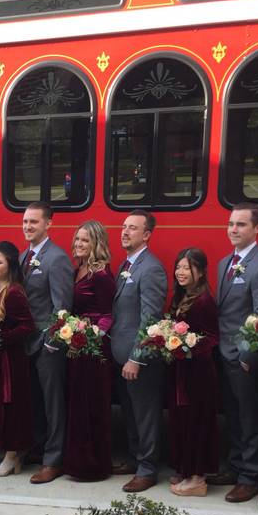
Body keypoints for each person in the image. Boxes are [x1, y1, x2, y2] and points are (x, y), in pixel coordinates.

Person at [211, 203, 258, 503]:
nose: (234, 229)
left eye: (241, 224)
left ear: (257, 229)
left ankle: (250, 476)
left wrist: (247, 356)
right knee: (233, 416)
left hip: (243, 359)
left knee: (249, 417)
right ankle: (235, 465)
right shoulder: (225, 262)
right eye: (231, 224)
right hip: (223, 354)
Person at [111, 210, 168, 493]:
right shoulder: (129, 264)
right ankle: (135, 458)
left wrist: (136, 357)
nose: (124, 232)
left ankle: (147, 469)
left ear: (146, 235)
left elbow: (150, 319)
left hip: (139, 360)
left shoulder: (151, 268)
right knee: (130, 413)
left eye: (132, 228)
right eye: (123, 227)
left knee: (145, 414)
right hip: (121, 356)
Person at [19, 203, 74, 484]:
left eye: (34, 222)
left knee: (53, 404)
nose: (28, 226)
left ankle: (54, 460)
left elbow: (61, 306)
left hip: (46, 345)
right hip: (26, 342)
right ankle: (38, 448)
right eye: (26, 222)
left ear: (48, 224)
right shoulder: (23, 256)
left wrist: (51, 342)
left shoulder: (57, 258)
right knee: (35, 402)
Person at [63, 221, 115, 481]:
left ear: (96, 243)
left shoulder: (102, 274)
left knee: (92, 405)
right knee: (77, 404)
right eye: (77, 240)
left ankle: (93, 466)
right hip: (76, 346)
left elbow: (106, 315)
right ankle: (75, 463)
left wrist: (90, 337)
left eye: (84, 240)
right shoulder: (78, 270)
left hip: (94, 350)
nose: (79, 244)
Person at [166, 248, 219, 497]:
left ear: (200, 271)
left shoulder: (204, 301)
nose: (180, 272)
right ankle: (186, 469)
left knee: (198, 421)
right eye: (179, 267)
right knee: (184, 420)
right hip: (183, 370)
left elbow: (211, 338)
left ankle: (198, 479)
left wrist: (187, 346)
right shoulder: (183, 296)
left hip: (199, 372)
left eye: (186, 268)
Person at [0, 241, 35, 477]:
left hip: (12, 363)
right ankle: (10, 454)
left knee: (12, 408)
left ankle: (12, 455)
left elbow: (27, 327)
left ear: (10, 265)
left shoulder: (13, 292)